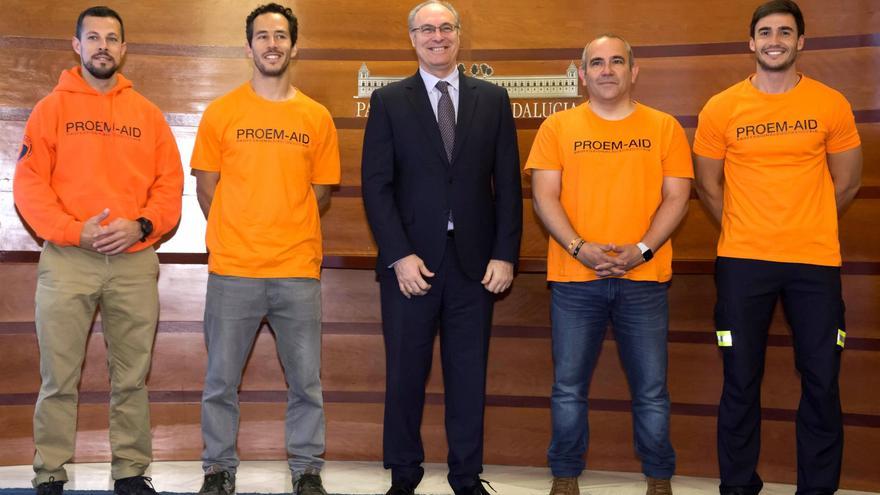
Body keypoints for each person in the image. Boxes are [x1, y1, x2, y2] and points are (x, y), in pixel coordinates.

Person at [692, 1, 863, 493]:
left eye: (785, 32)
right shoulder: (721, 107)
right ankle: (739, 485)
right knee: (740, 383)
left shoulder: (830, 103)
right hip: (743, 264)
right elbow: (708, 185)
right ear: (751, 42)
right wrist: (751, 228)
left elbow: (847, 183)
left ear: (800, 42)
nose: (774, 39)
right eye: (765, 31)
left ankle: (817, 488)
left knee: (822, 382)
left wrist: (800, 224)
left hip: (814, 264)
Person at [13, 5, 184, 495]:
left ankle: (130, 471)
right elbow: (28, 187)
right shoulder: (51, 109)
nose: (103, 46)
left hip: (133, 262)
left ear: (124, 48)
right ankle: (49, 473)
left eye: (112, 38)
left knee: (131, 378)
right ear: (77, 45)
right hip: (68, 262)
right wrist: (72, 231)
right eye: (93, 37)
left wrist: (142, 226)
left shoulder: (147, 115)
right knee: (58, 379)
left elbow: (169, 188)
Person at [360, 1, 522, 494]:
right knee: (405, 374)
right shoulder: (389, 101)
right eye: (426, 29)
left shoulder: (492, 99)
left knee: (468, 376)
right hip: (411, 265)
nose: (437, 36)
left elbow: (509, 186)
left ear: (458, 35)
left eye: (445, 27)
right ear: (412, 38)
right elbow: (376, 186)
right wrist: (399, 255)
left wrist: (505, 254)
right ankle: (404, 474)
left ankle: (466, 476)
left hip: (475, 265)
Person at [526, 34, 693, 495]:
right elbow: (544, 196)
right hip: (575, 280)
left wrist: (642, 250)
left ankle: (659, 476)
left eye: (616, 61)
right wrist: (581, 248)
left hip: (645, 279)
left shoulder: (664, 127)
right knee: (568, 388)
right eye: (596, 63)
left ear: (633, 71)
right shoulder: (557, 128)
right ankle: (564, 473)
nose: (606, 70)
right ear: (582, 74)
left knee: (652, 390)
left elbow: (677, 197)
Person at [189, 3, 340, 495]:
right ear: (249, 45)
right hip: (233, 270)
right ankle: (218, 469)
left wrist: (283, 226)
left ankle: (306, 470)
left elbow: (320, 193)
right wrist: (241, 229)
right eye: (262, 36)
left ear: (294, 46)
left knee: (306, 385)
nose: (271, 43)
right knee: (220, 383)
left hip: (297, 271)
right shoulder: (221, 112)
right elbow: (206, 188)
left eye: (280, 35)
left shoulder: (315, 116)